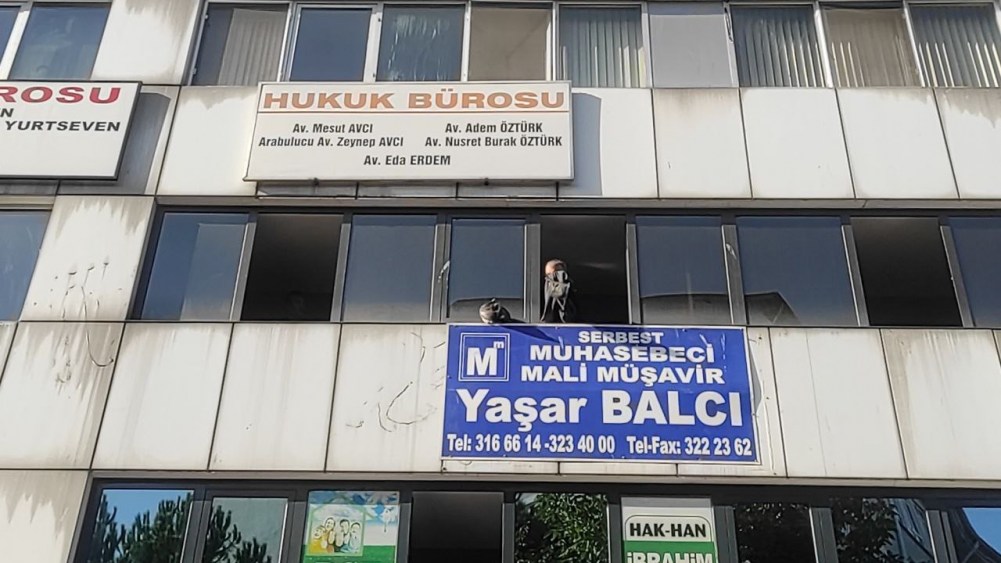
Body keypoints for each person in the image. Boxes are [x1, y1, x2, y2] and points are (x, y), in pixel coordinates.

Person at [541, 259, 577, 323]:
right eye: (548, 275)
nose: (549, 279)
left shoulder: (571, 292)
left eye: (557, 275)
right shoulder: (540, 296)